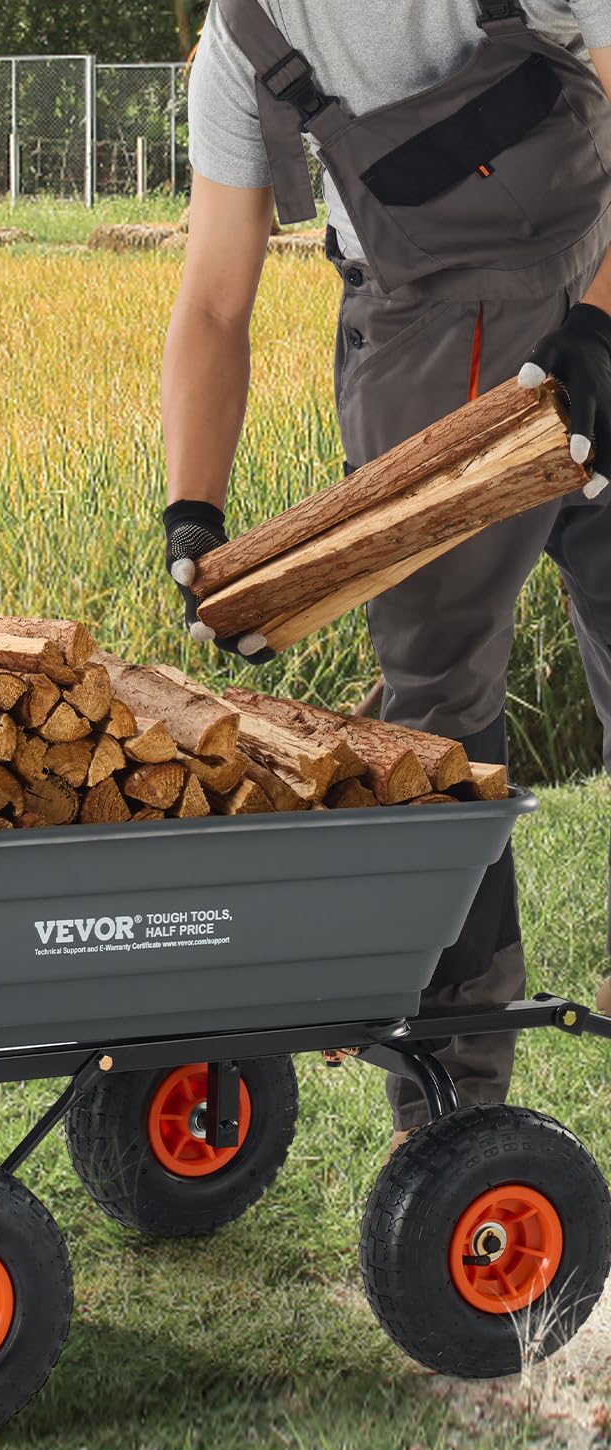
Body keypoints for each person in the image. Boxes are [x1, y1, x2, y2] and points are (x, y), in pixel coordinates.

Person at [164, 0, 611, 1141]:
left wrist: (601, 333)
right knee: (438, 730)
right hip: (424, 359)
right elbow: (215, 300)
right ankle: (455, 1103)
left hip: (601, 284)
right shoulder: (243, 43)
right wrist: (192, 507)